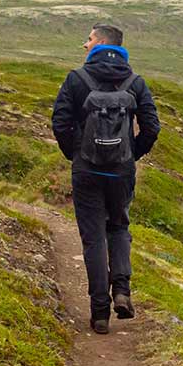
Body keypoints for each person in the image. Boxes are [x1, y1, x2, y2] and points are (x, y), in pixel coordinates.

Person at [50, 23, 160, 334]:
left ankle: (100, 313)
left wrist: (76, 155)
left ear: (99, 42)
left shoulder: (77, 78)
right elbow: (151, 127)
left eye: (87, 39)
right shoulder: (134, 82)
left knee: (93, 238)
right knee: (119, 227)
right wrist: (131, 155)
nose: (84, 44)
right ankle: (122, 292)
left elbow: (60, 122)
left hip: (87, 169)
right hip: (121, 170)